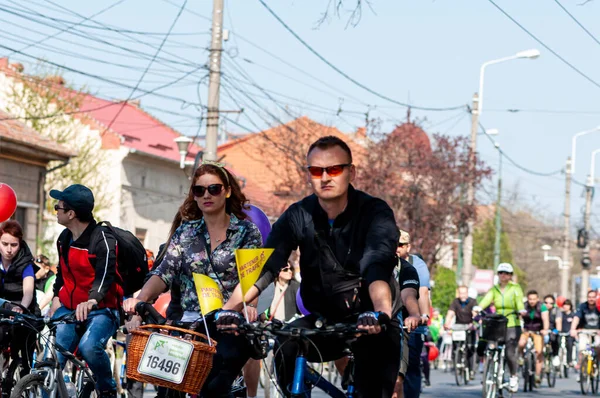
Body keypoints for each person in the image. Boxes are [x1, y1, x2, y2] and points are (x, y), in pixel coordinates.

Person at [221, 136, 421, 397]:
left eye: (334, 169)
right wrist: (225, 311)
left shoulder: (375, 212)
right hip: (322, 321)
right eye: (316, 171)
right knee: (285, 343)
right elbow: (268, 263)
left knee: (371, 387)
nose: (325, 177)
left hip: (371, 323)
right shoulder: (298, 214)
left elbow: (377, 267)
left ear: (351, 172)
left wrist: (380, 312)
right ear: (309, 175)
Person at [123, 161, 263, 397]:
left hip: (227, 325)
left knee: (213, 387)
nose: (206, 195)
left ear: (227, 191)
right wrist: (139, 300)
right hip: (186, 325)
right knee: (166, 388)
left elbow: (249, 282)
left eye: (214, 189)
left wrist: (229, 311)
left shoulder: (247, 232)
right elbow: (164, 271)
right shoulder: (186, 232)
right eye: (199, 190)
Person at [48, 184, 122, 398]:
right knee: (52, 360)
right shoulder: (64, 238)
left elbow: (105, 275)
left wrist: (91, 301)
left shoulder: (103, 239)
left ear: (71, 214)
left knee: (89, 346)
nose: (56, 210)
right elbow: (62, 272)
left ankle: (107, 388)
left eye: (58, 207)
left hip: (102, 311)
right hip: (70, 309)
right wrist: (55, 296)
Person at [244, 254, 301, 398]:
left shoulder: (295, 287)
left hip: (289, 324)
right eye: (285, 269)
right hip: (271, 323)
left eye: (290, 269)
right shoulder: (269, 286)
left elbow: (301, 307)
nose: (288, 271)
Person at [0, 220, 41, 386]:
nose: (9, 250)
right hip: (3, 308)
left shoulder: (25, 262)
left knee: (25, 352)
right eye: (4, 244)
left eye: (14, 245)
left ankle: (25, 384)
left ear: (20, 243)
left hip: (24, 310)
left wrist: (21, 307)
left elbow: (29, 291)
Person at [478, 263, 525, 393]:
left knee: (510, 350)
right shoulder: (494, 289)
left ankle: (513, 376)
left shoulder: (515, 288)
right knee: (491, 345)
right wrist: (478, 308)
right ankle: (490, 367)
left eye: (506, 273)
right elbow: (487, 299)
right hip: (498, 322)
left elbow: (519, 300)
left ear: (510, 276)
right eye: (500, 272)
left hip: (511, 322)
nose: (503, 275)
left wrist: (521, 309)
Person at [395, 230, 431, 396]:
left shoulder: (416, 265)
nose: (397, 248)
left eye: (401, 245)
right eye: (394, 244)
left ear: (408, 247)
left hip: (410, 321)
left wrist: (421, 315)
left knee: (410, 369)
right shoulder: (380, 261)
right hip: (386, 320)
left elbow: (422, 292)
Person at [444, 285, 478, 379]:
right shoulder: (455, 302)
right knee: (455, 347)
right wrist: (447, 323)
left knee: (470, 348)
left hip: (469, 327)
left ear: (467, 293)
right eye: (460, 293)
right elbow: (450, 313)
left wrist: (474, 322)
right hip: (458, 327)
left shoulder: (473, 301)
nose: (462, 295)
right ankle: (457, 365)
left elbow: (475, 314)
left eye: (464, 293)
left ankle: (471, 370)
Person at [518, 290, 549, 386]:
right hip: (526, 330)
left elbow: (545, 319)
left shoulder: (542, 307)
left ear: (537, 299)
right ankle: (521, 357)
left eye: (534, 299)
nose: (532, 301)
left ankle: (537, 375)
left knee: (539, 352)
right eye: (530, 299)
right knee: (521, 343)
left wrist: (545, 329)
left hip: (538, 331)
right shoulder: (523, 306)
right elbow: (519, 318)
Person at [570, 290, 600, 373]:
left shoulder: (599, 306)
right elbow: (576, 318)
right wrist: (573, 329)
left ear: (596, 297)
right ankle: (582, 369)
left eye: (593, 297)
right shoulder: (583, 306)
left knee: (598, 347)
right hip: (584, 331)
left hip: (597, 331)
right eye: (589, 297)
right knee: (582, 348)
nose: (591, 299)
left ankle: (597, 364)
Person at [556, 299, 576, 367]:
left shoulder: (573, 314)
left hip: (569, 334)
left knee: (569, 345)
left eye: (567, 305)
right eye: (564, 305)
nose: (565, 307)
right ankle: (557, 359)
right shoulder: (561, 314)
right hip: (561, 333)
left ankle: (569, 360)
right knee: (557, 342)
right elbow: (558, 322)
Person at [543, 294, 560, 363]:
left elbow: (558, 322)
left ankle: (555, 355)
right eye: (546, 303)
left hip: (552, 330)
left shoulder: (556, 311)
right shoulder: (540, 309)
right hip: (542, 331)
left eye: (551, 303)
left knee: (555, 339)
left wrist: (556, 331)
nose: (548, 305)